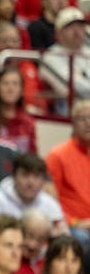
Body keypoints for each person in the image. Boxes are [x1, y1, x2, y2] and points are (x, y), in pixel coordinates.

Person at [46, 100, 90, 256]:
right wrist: (77, 223)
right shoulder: (58, 155)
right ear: (73, 123)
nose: (87, 123)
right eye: (82, 118)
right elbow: (49, 201)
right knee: (83, 239)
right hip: (73, 225)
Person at [0, 152, 65, 233]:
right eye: (25, 175)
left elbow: (63, 238)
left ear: (43, 181)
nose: (30, 182)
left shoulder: (50, 203)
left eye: (36, 176)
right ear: (13, 176)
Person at [0, 67, 37, 154]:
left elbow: (32, 155)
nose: (10, 89)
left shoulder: (28, 122)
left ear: (21, 90)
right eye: (5, 83)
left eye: (15, 84)